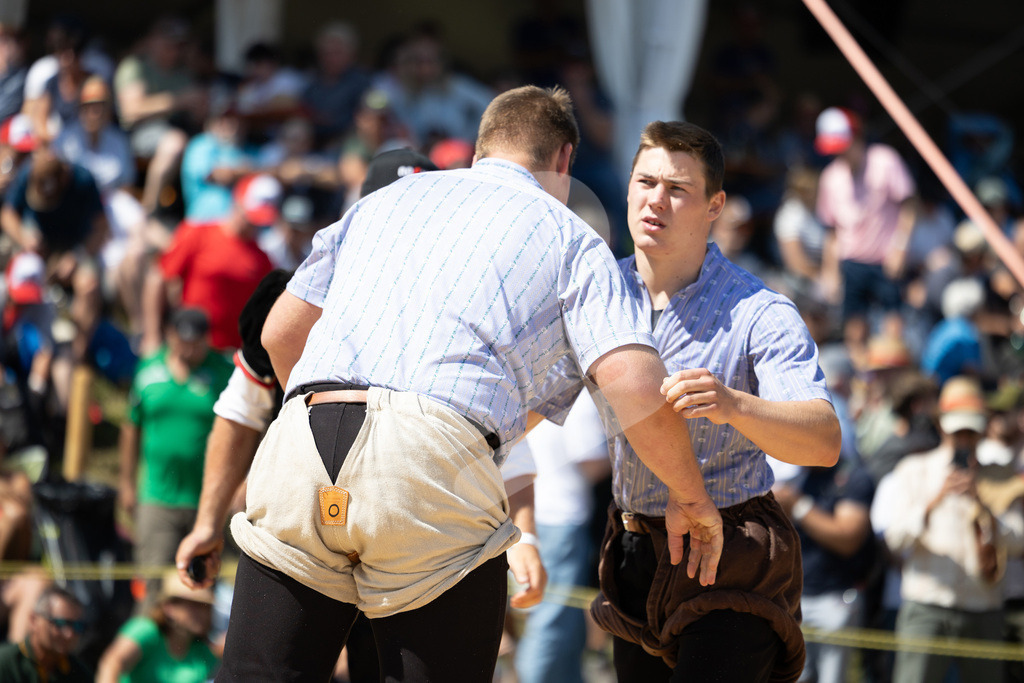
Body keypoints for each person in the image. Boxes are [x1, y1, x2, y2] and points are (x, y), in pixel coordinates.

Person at [218, 86, 723, 683]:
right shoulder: (571, 236)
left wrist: (322, 426)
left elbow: (281, 334)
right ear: (564, 160)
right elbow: (634, 384)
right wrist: (692, 499)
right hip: (430, 457)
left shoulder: (385, 200)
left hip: (304, 428)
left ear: (483, 147)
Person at [536, 120, 840, 682]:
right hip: (633, 547)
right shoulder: (593, 294)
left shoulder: (760, 310)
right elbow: (526, 405)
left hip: (731, 550)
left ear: (714, 206)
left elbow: (824, 440)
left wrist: (733, 405)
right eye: (645, 182)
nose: (656, 200)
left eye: (678, 189)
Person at [878, 375, 1024, 683]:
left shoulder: (1001, 477)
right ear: (943, 425)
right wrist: (934, 502)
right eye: (959, 430)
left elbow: (1019, 541)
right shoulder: (914, 469)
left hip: (982, 607)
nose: (964, 437)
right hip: (927, 604)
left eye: (971, 430)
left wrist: (983, 506)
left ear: (982, 428)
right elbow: (895, 538)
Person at [119, 307, 233, 613]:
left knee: (206, 584)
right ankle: (146, 650)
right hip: (158, 496)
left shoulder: (224, 374)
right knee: (153, 581)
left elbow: (243, 431)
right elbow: (131, 427)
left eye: (197, 342)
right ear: (171, 336)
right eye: (184, 341)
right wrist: (126, 482)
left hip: (208, 499)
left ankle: (201, 653)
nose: (190, 348)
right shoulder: (148, 371)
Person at [815, 106, 917, 355]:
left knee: (893, 324)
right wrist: (830, 271)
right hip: (851, 261)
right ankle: (861, 381)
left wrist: (900, 248)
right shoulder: (830, 178)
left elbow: (910, 206)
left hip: (885, 259)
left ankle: (892, 378)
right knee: (854, 327)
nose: (839, 153)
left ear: (856, 137)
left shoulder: (885, 160)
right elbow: (832, 231)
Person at [140, 173, 277, 354]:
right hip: (188, 345)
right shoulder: (198, 233)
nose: (253, 225)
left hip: (232, 355)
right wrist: (152, 335)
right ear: (237, 203)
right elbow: (159, 278)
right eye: (249, 217)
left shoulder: (263, 260)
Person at [96, 571, 219, 683]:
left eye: (205, 607)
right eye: (194, 606)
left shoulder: (204, 652)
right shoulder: (145, 630)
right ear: (169, 606)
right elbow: (112, 663)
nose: (202, 613)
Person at [0, 585, 92, 682]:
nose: (69, 634)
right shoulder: (6, 664)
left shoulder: (79, 673)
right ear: (33, 620)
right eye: (60, 623)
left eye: (77, 626)